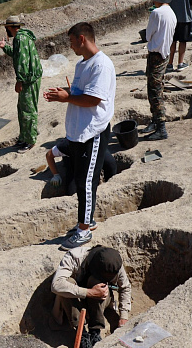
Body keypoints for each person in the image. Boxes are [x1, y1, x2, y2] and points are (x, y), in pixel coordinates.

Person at [44, 22, 115, 250]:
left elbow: (94, 99)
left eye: (72, 42)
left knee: (86, 181)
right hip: (78, 132)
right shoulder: (82, 64)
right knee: (84, 179)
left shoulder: (101, 65)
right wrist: (63, 94)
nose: (71, 47)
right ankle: (88, 221)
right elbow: (79, 94)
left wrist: (66, 98)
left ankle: (83, 231)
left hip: (93, 132)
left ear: (82, 39)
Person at [51, 245, 131, 346]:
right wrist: (89, 292)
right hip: (76, 303)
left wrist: (124, 316)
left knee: (96, 282)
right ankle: (81, 334)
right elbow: (56, 284)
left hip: (99, 302)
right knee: (68, 283)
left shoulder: (113, 263)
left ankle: (95, 331)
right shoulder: (74, 257)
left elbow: (125, 287)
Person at [0, 16, 43, 153]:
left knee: (28, 110)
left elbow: (22, 61)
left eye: (6, 28)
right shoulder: (23, 37)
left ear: (10, 27)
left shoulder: (20, 39)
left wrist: (19, 80)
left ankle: (30, 140)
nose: (6, 30)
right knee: (23, 108)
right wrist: (5, 47)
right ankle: (24, 136)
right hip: (31, 78)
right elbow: (18, 54)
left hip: (28, 79)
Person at [140, 0, 177, 141]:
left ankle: (161, 127)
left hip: (156, 55)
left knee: (155, 92)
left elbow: (148, 35)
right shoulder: (172, 13)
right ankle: (155, 121)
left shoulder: (156, 13)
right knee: (155, 88)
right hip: (165, 54)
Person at [46, 138, 118, 188]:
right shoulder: (67, 145)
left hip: (94, 150)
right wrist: (56, 175)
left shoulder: (96, 142)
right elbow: (49, 155)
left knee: (110, 164)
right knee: (73, 189)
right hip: (73, 159)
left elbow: (111, 164)